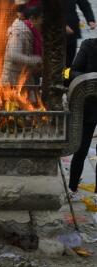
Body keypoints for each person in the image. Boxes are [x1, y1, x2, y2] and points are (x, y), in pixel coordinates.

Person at [67, 37, 97, 201]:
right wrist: (91, 78)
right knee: (81, 150)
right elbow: (72, 71)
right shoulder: (88, 45)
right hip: (89, 105)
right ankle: (72, 188)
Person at [1, 6, 43, 87]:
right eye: (42, 19)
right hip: (11, 83)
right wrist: (34, 60)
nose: (44, 24)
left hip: (23, 80)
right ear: (33, 19)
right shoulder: (20, 32)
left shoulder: (32, 33)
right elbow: (13, 54)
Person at [64, 0, 95, 67]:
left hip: (72, 32)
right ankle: (57, 76)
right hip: (55, 34)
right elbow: (46, 10)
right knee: (56, 61)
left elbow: (85, 5)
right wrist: (62, 25)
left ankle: (66, 76)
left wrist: (90, 20)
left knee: (69, 61)